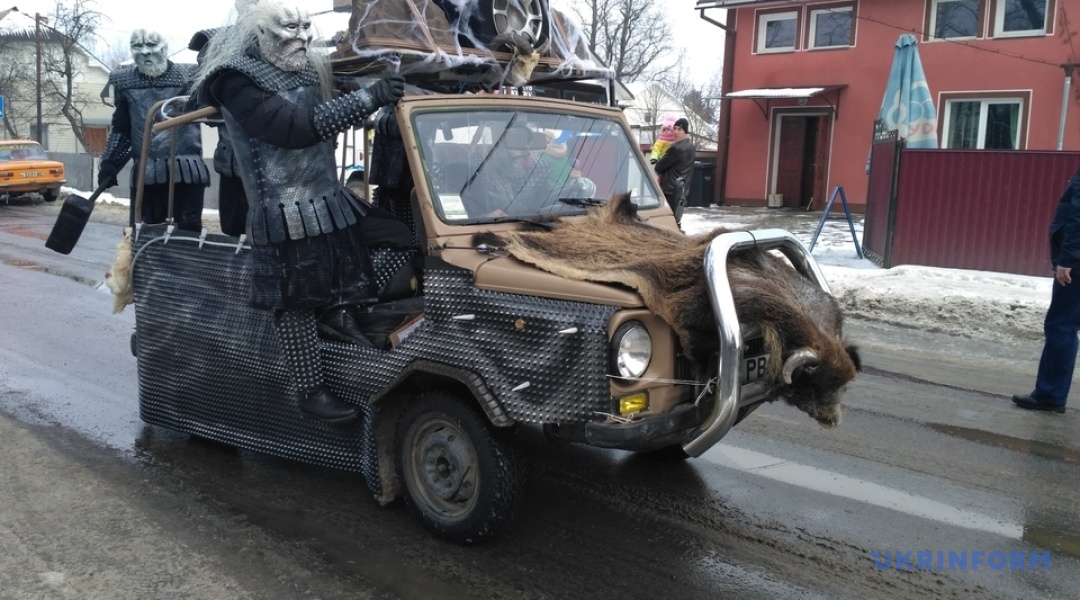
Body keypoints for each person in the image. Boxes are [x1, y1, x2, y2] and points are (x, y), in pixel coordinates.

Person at [192, 0, 406, 423]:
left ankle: (339, 313)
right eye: (290, 29)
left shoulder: (309, 67)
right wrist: (371, 97)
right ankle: (309, 389)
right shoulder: (233, 79)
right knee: (296, 300)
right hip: (282, 209)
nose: (302, 37)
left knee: (400, 240)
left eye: (305, 27)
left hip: (329, 199)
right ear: (259, 33)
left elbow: (348, 81)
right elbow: (294, 128)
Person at [99, 29, 209, 231]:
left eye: (151, 45)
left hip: (187, 169)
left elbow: (209, 111)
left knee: (188, 236)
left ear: (164, 49)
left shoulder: (190, 76)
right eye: (138, 46)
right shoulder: (124, 81)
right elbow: (121, 128)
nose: (145, 52)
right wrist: (109, 161)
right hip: (146, 172)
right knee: (144, 234)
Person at [1012, 170, 1080, 414]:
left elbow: (1078, 217)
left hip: (1076, 265)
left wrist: (1069, 259)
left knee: (1062, 325)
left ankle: (1050, 394)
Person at [654, 117, 696, 226]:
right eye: (675, 129)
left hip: (670, 190)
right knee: (675, 220)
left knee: (666, 223)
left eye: (679, 129)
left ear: (685, 131)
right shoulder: (691, 146)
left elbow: (658, 167)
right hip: (681, 190)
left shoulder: (676, 148)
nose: (676, 132)